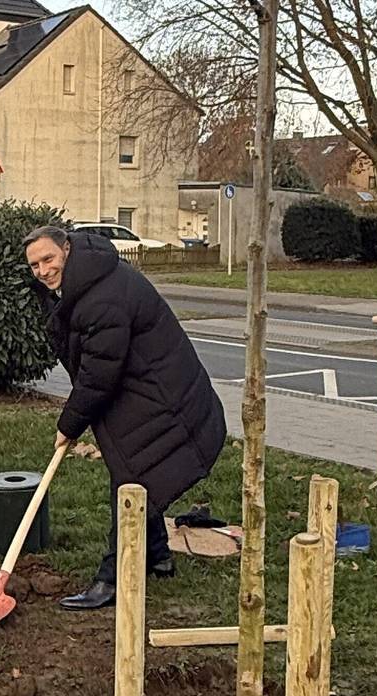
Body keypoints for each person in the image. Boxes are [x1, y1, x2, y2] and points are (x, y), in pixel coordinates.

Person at [23, 224, 226, 609]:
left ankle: (111, 579)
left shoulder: (103, 298)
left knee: (130, 481)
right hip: (147, 386)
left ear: (67, 248)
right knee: (139, 472)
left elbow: (99, 373)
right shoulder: (90, 277)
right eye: (34, 265)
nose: (43, 270)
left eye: (48, 259)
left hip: (160, 395)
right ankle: (159, 556)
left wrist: (68, 425)